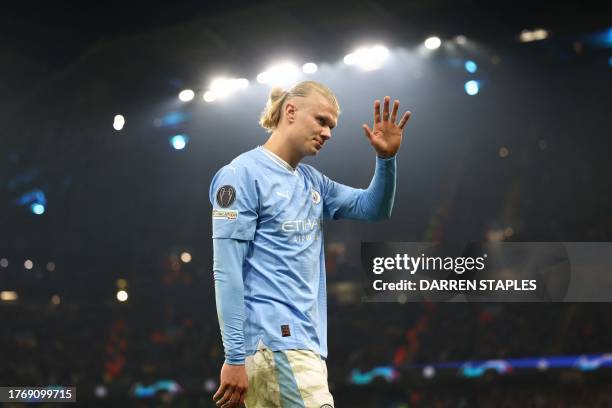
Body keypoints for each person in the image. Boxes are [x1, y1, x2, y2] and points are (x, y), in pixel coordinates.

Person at [209, 80, 411, 408]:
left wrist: (386, 161)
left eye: (331, 126)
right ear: (290, 111)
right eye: (321, 121)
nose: (328, 133)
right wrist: (234, 356)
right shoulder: (240, 176)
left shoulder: (312, 181)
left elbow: (374, 208)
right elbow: (226, 271)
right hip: (277, 344)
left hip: (299, 346)